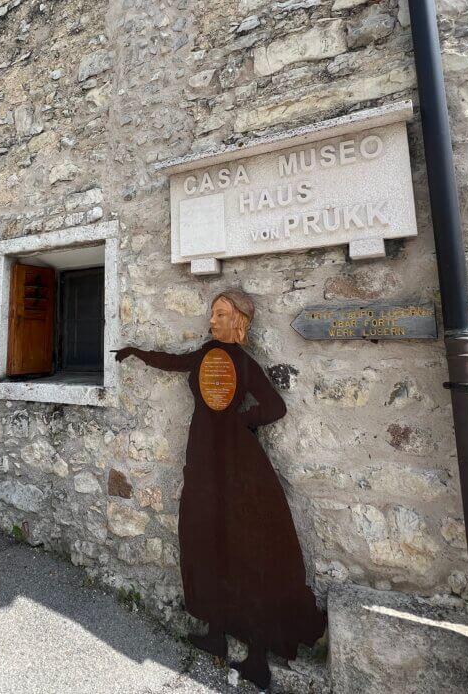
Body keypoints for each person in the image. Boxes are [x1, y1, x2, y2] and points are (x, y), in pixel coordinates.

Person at [115, 291, 325, 689]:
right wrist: (136, 352)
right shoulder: (204, 353)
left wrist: (241, 421)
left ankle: (258, 655)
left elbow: (275, 407)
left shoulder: (244, 364)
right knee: (204, 537)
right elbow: (172, 362)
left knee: (248, 546)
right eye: (212, 313)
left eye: (221, 314)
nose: (212, 321)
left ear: (239, 323)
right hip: (205, 460)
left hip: (239, 466)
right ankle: (214, 633)